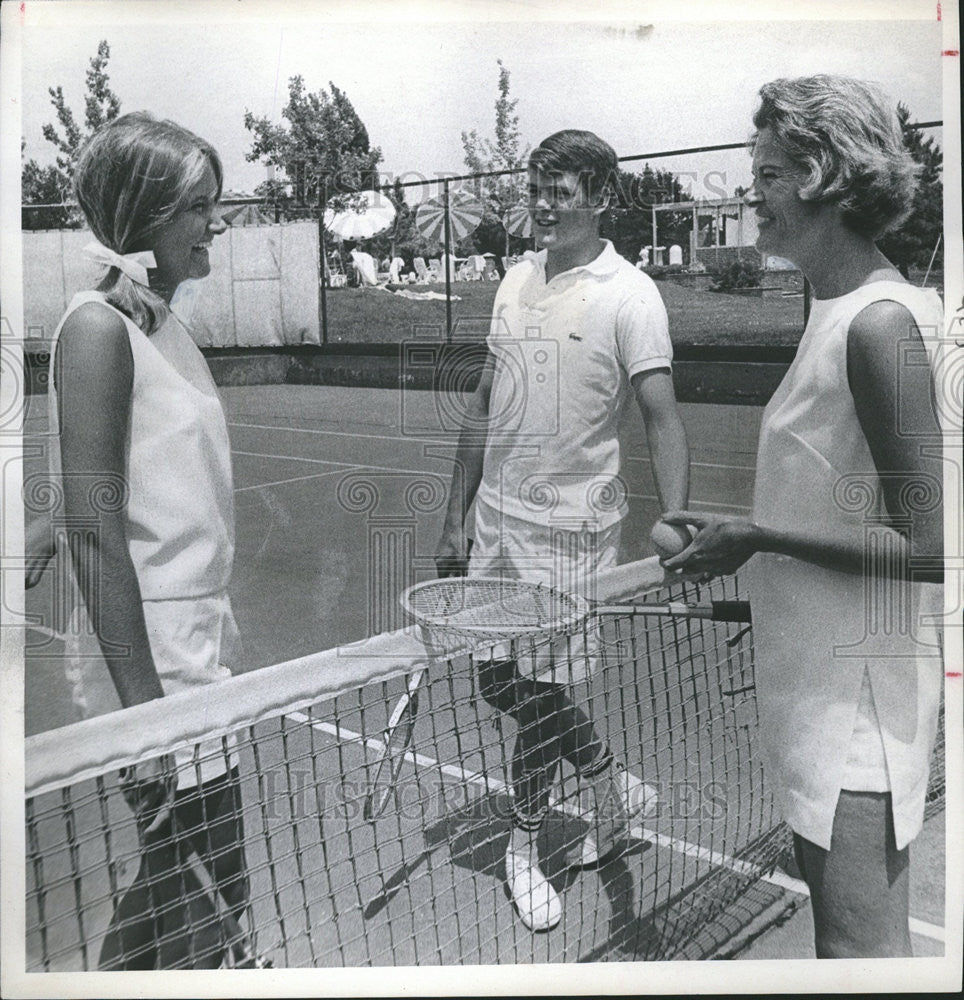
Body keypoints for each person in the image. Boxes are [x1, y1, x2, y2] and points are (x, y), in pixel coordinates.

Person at [659, 75, 944, 958]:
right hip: (821, 681)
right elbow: (839, 496)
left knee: (860, 959)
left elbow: (934, 545)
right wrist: (757, 565)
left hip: (857, 704)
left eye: (771, 175)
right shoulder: (840, 310)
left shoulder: (878, 324)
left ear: (826, 177)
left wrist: (760, 539)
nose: (753, 196)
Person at [435, 130, 690, 931]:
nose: (543, 203)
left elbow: (662, 419)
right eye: (536, 187)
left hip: (571, 537)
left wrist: (676, 522)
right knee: (497, 682)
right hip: (497, 528)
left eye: (562, 190)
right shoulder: (513, 279)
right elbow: (482, 403)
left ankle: (526, 842)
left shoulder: (631, 295)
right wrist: (455, 518)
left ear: (600, 199)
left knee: (541, 699)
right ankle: (613, 783)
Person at [40, 112, 257, 969]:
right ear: (147, 213)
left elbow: (124, 483)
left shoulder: (157, 319)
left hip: (196, 635)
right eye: (199, 207)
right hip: (153, 659)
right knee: (212, 883)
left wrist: (46, 518)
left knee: (180, 878)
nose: (217, 223)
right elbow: (99, 536)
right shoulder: (99, 329)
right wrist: (146, 725)